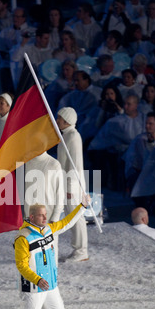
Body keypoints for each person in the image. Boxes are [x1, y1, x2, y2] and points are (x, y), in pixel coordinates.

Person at [13, 193, 94, 309]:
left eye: (45, 214)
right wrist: (37, 279)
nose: (45, 217)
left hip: (50, 285)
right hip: (33, 289)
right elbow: (21, 265)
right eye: (41, 215)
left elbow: (66, 222)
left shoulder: (48, 229)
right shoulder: (23, 237)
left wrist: (82, 206)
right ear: (32, 217)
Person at [57, 107, 88, 262]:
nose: (57, 121)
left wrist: (70, 187)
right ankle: (79, 249)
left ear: (67, 120)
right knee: (73, 216)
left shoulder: (73, 137)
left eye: (59, 118)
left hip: (73, 185)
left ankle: (81, 251)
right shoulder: (67, 136)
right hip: (67, 183)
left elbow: (74, 164)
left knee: (76, 217)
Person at [24, 151, 65, 264]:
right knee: (32, 256)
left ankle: (51, 281)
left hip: (48, 217)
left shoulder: (53, 164)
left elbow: (60, 193)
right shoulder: (26, 163)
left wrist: (56, 216)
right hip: (30, 217)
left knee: (50, 254)